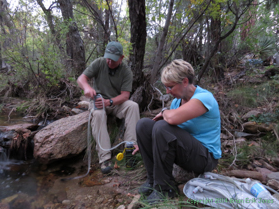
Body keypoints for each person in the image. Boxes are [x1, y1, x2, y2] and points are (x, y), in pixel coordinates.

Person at [136, 59, 221, 204]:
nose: (167, 91)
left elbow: (172, 119)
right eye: (165, 87)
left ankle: (165, 188)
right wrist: (147, 141)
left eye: (170, 87)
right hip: (187, 151)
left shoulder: (204, 98)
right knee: (143, 125)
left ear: (185, 82)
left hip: (205, 157)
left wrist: (164, 112)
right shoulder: (177, 102)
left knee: (161, 126)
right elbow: (171, 127)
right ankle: (153, 180)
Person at [77, 41, 140, 174]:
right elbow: (81, 79)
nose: (109, 62)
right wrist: (87, 87)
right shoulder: (99, 63)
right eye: (108, 58)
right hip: (98, 102)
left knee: (133, 106)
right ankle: (105, 159)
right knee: (98, 115)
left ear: (121, 58)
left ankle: (130, 150)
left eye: (113, 59)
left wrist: (109, 102)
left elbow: (125, 96)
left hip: (115, 103)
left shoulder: (126, 71)